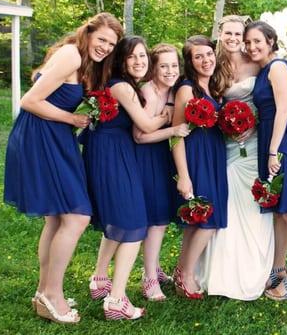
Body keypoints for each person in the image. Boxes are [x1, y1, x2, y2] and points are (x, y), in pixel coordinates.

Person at [4, 12, 123, 323]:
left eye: (111, 44)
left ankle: (44, 291)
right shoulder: (71, 54)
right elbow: (29, 101)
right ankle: (52, 293)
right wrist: (72, 119)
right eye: (102, 40)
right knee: (78, 215)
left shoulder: (81, 59)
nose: (105, 48)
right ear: (88, 32)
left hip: (55, 136)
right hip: (41, 136)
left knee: (57, 218)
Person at [83, 36, 169, 320]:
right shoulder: (121, 86)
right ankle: (117, 300)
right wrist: (169, 117)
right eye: (132, 56)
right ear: (120, 60)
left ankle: (99, 280)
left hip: (109, 151)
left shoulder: (121, 85)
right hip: (112, 155)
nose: (139, 61)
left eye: (143, 56)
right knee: (134, 225)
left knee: (120, 221)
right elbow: (145, 125)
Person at [197, 15, 275, 300]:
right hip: (225, 141)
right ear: (220, 33)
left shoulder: (256, 61)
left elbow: (269, 98)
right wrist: (225, 123)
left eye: (237, 33)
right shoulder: (211, 63)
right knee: (227, 199)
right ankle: (221, 269)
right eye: (227, 32)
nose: (232, 38)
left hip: (255, 140)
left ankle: (255, 267)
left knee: (252, 198)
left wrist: (252, 121)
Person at [246, 21, 287, 301]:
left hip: (283, 142)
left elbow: (284, 110)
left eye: (257, 41)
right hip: (269, 138)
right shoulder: (263, 70)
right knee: (278, 211)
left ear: (271, 41)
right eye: (248, 43)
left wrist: (273, 151)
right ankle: (278, 268)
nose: (252, 47)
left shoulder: (278, 68)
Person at [172, 35, 228, 299]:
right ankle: (187, 274)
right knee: (209, 220)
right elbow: (176, 135)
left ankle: (180, 271)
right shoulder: (186, 89)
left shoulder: (213, 89)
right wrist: (184, 176)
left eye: (208, 54)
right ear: (190, 62)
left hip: (214, 156)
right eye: (198, 56)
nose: (206, 60)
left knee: (197, 221)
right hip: (196, 158)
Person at [133, 43, 190, 301]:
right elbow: (139, 136)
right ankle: (148, 279)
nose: (170, 70)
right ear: (153, 68)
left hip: (161, 157)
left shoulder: (173, 91)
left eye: (174, 65)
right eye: (163, 66)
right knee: (157, 220)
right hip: (145, 158)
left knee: (161, 218)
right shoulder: (149, 92)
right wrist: (172, 130)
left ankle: (153, 266)